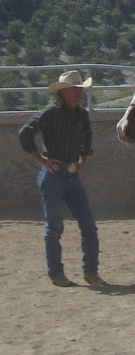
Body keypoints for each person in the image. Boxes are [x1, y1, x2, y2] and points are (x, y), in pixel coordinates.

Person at [18, 70, 105, 287]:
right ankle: (56, 274)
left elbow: (88, 138)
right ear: (64, 92)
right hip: (54, 175)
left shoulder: (82, 115)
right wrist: (42, 161)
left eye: (80, 90)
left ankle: (91, 272)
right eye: (76, 90)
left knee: (89, 225)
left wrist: (84, 159)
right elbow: (25, 134)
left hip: (71, 175)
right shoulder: (50, 114)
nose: (80, 93)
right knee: (55, 227)